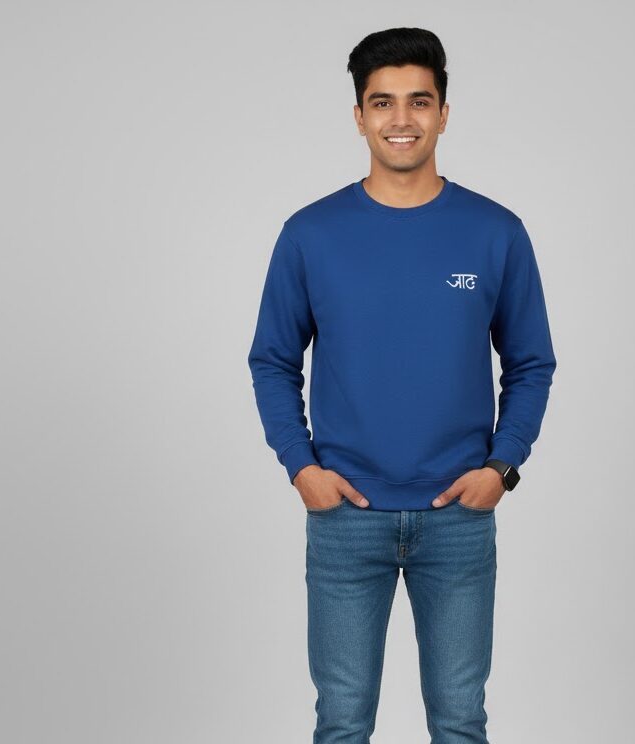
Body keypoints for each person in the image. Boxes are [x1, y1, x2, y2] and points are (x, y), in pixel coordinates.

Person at [247, 26, 557, 744]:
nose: (401, 119)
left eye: (419, 101)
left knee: (459, 721)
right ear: (358, 116)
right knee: (342, 722)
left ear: (444, 113)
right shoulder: (311, 234)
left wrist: (502, 468)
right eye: (382, 102)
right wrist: (300, 467)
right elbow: (272, 360)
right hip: (344, 518)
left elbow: (531, 362)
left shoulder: (495, 232)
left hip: (459, 519)